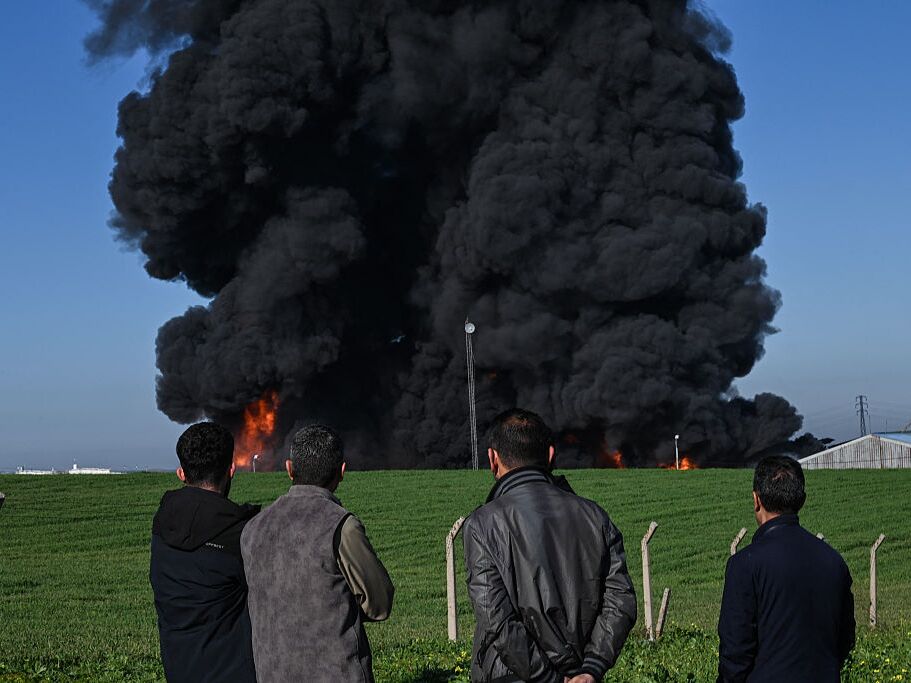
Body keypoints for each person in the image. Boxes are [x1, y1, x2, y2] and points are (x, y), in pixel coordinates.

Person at [463, 409, 637, 683]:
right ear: (551, 455)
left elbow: (496, 620)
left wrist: (548, 678)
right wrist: (592, 668)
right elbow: (620, 600)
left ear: (492, 459)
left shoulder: (482, 524)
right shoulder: (595, 516)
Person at [241, 424, 394, 682]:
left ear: (289, 468)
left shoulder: (254, 527)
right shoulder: (341, 526)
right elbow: (379, 603)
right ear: (342, 471)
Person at [717, 455, 855, 682]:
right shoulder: (834, 561)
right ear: (801, 500)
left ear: (756, 500)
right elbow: (844, 638)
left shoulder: (746, 564)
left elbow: (735, 652)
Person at [150, 422, 260, 683]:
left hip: (178, 671)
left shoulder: (162, 526)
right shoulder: (241, 535)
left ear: (181, 473)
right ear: (231, 470)